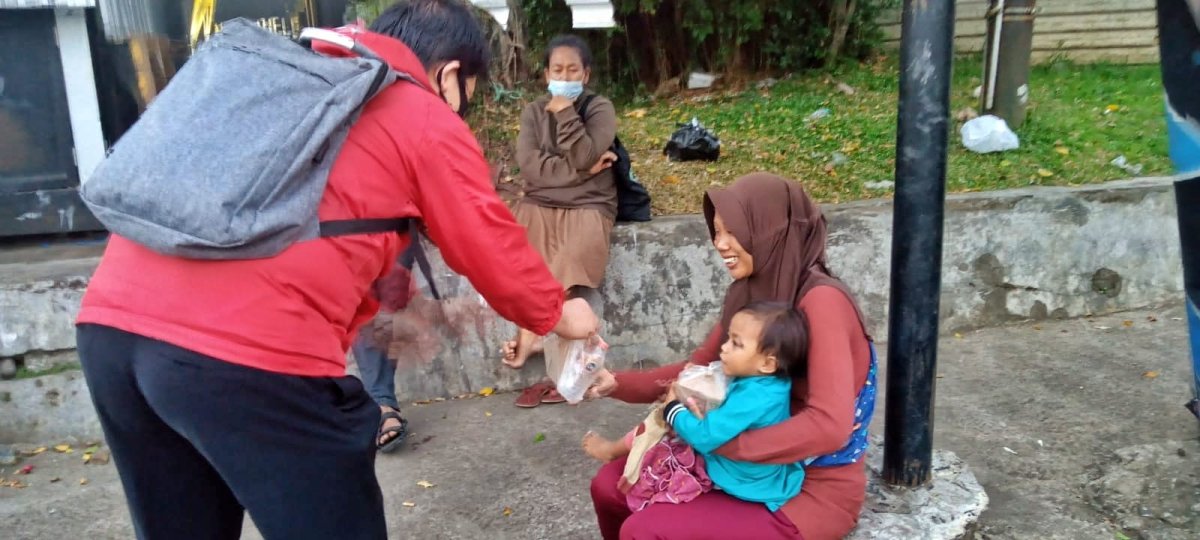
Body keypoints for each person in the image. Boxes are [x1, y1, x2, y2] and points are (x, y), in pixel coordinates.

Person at [74, 2, 598, 539]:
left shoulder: (295, 82)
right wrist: (559, 314)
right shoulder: (415, 108)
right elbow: (487, 241)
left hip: (110, 331)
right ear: (449, 75)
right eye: (469, 91)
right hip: (248, 356)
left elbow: (331, 226)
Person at [586, 173, 877, 540]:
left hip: (804, 488)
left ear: (770, 231)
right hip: (731, 467)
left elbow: (829, 426)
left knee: (645, 531)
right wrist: (615, 383)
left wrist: (718, 442)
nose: (719, 243)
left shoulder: (823, 302)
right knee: (609, 489)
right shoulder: (751, 294)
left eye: (733, 231)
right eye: (717, 231)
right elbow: (700, 369)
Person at [584, 301, 813, 516]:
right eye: (728, 338)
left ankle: (617, 455)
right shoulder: (766, 382)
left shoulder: (756, 397)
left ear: (768, 363)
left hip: (741, 478)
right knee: (665, 421)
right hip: (753, 468)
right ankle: (615, 450)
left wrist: (673, 409)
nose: (724, 348)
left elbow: (705, 436)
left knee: (661, 425)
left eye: (736, 344)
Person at [501, 35, 619, 407]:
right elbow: (531, 169)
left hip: (590, 205)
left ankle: (535, 339)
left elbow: (584, 153)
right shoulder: (533, 112)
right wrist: (583, 172)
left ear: (586, 75)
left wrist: (566, 112)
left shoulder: (599, 109)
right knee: (524, 261)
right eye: (557, 70)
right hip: (539, 202)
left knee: (569, 261)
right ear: (546, 74)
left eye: (572, 70)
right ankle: (536, 337)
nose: (564, 76)